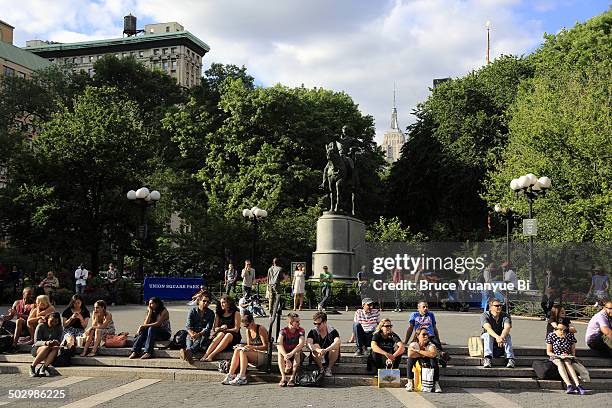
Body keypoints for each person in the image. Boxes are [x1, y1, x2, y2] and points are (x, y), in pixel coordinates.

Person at [222, 312, 269, 386]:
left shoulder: (260, 329)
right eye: (245, 326)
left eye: (247, 325)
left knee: (243, 352)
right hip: (254, 353)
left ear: (252, 322)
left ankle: (242, 377)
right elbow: (248, 345)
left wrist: (253, 347)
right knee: (238, 350)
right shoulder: (248, 331)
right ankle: (231, 374)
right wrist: (242, 345)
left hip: (264, 354)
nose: (246, 327)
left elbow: (266, 346)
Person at [546, 322, 587, 394]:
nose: (562, 331)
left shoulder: (570, 335)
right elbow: (549, 352)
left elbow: (573, 352)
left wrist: (570, 355)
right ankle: (569, 385)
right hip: (556, 356)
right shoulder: (551, 335)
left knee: (567, 362)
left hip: (567, 356)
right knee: (559, 363)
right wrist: (558, 356)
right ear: (556, 328)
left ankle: (578, 385)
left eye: (564, 330)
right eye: (560, 329)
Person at [201, 295, 241, 362]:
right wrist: (220, 328)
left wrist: (225, 329)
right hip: (221, 335)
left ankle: (211, 355)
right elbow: (215, 328)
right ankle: (206, 355)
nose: (221, 304)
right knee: (221, 334)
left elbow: (236, 329)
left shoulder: (236, 313)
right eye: (221, 303)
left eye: (223, 302)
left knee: (228, 334)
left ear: (229, 303)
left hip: (233, 336)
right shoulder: (219, 313)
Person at [180, 293, 215, 364]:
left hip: (203, 334)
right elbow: (188, 326)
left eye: (208, 302)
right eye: (204, 301)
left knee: (200, 339)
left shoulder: (211, 313)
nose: (206, 303)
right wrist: (192, 334)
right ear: (199, 301)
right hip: (192, 333)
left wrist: (198, 334)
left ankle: (188, 352)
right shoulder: (192, 311)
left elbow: (208, 328)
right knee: (189, 337)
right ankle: (189, 352)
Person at [481, 298, 515, 368]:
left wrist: (501, 337)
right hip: (488, 339)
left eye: (500, 305)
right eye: (496, 306)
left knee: (507, 335)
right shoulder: (485, 315)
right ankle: (487, 358)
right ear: (490, 307)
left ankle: (510, 359)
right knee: (488, 335)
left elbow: (507, 327)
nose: (499, 307)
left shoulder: (505, 315)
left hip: (500, 340)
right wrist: (497, 337)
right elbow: (488, 328)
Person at [406, 327, 442, 393]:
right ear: (417, 336)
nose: (426, 336)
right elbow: (410, 354)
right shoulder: (414, 344)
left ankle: (436, 383)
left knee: (433, 360)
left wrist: (418, 351)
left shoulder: (430, 344)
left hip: (427, 364)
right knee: (410, 359)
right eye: (424, 334)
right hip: (417, 364)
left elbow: (433, 354)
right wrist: (425, 354)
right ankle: (410, 382)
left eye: (427, 334)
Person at [306, 311, 341, 377]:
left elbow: (338, 342)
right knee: (315, 346)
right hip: (317, 356)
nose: (317, 326)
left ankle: (329, 368)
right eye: (315, 323)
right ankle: (321, 368)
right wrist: (318, 350)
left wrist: (326, 350)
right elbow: (308, 343)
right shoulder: (313, 331)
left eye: (319, 324)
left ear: (325, 322)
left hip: (329, 355)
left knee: (335, 347)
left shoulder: (332, 331)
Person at [276, 312, 306, 387]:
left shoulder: (301, 331)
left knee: (297, 352)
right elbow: (279, 344)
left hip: (295, 354)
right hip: (286, 355)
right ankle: (283, 377)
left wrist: (291, 353)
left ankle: (292, 377)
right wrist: (286, 357)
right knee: (280, 352)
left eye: (299, 321)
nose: (299, 323)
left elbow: (301, 344)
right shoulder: (283, 331)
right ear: (290, 322)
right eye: (297, 322)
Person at [29, 312, 63, 377]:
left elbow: (59, 340)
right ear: (47, 319)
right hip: (38, 348)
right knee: (46, 347)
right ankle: (32, 367)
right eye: (51, 321)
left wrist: (56, 342)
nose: (53, 323)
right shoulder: (41, 326)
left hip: (52, 348)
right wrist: (46, 343)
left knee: (55, 348)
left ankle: (43, 368)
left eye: (56, 322)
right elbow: (36, 342)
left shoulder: (59, 328)